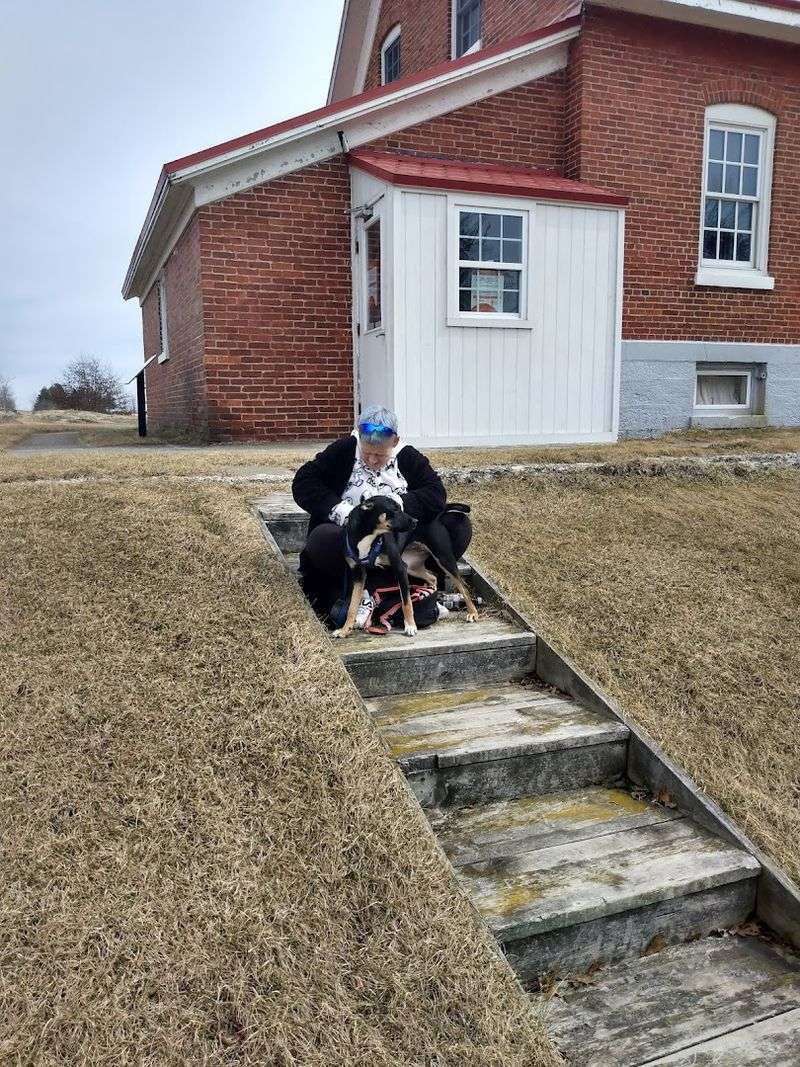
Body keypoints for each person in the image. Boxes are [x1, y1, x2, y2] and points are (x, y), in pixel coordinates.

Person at [292, 405, 472, 624]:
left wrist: (398, 505)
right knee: (322, 538)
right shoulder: (344, 450)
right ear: (359, 438)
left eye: (380, 454)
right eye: (366, 453)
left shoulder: (408, 457)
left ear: (394, 442)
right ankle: (380, 592)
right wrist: (341, 511)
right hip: (353, 547)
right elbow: (304, 482)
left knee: (457, 524)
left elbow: (435, 493)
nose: (373, 460)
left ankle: (397, 587)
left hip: (398, 547)